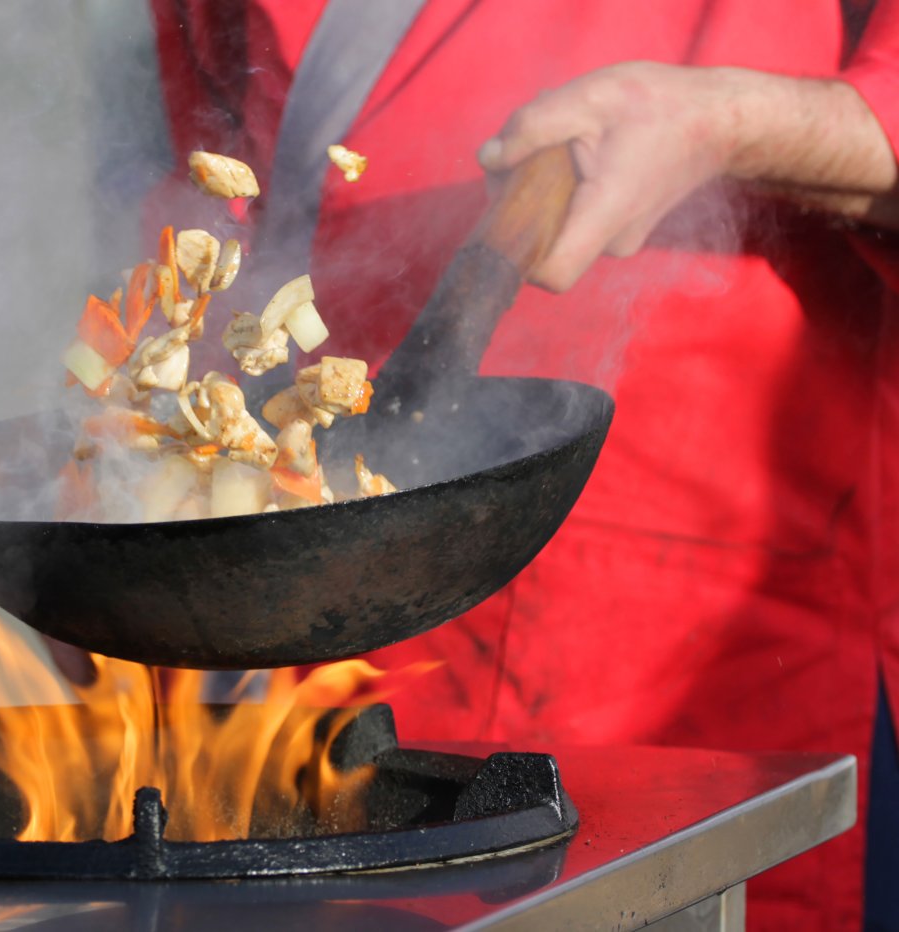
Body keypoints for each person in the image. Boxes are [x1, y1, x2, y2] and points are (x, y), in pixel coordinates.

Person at [146, 1, 899, 928]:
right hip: (319, 578)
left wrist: (724, 125)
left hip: (673, 630)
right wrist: (153, 460)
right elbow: (219, 166)